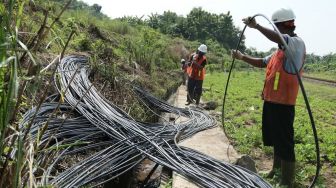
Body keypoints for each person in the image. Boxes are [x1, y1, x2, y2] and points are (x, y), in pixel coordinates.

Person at [231, 8, 305, 188]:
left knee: (285, 141)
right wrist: (242, 57)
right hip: (272, 101)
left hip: (284, 104)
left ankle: (287, 181)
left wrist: (257, 27)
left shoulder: (295, 44)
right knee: (275, 139)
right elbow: (261, 62)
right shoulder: (279, 51)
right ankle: (275, 170)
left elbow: (279, 38)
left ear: (283, 26)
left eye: (276, 27)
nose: (276, 31)